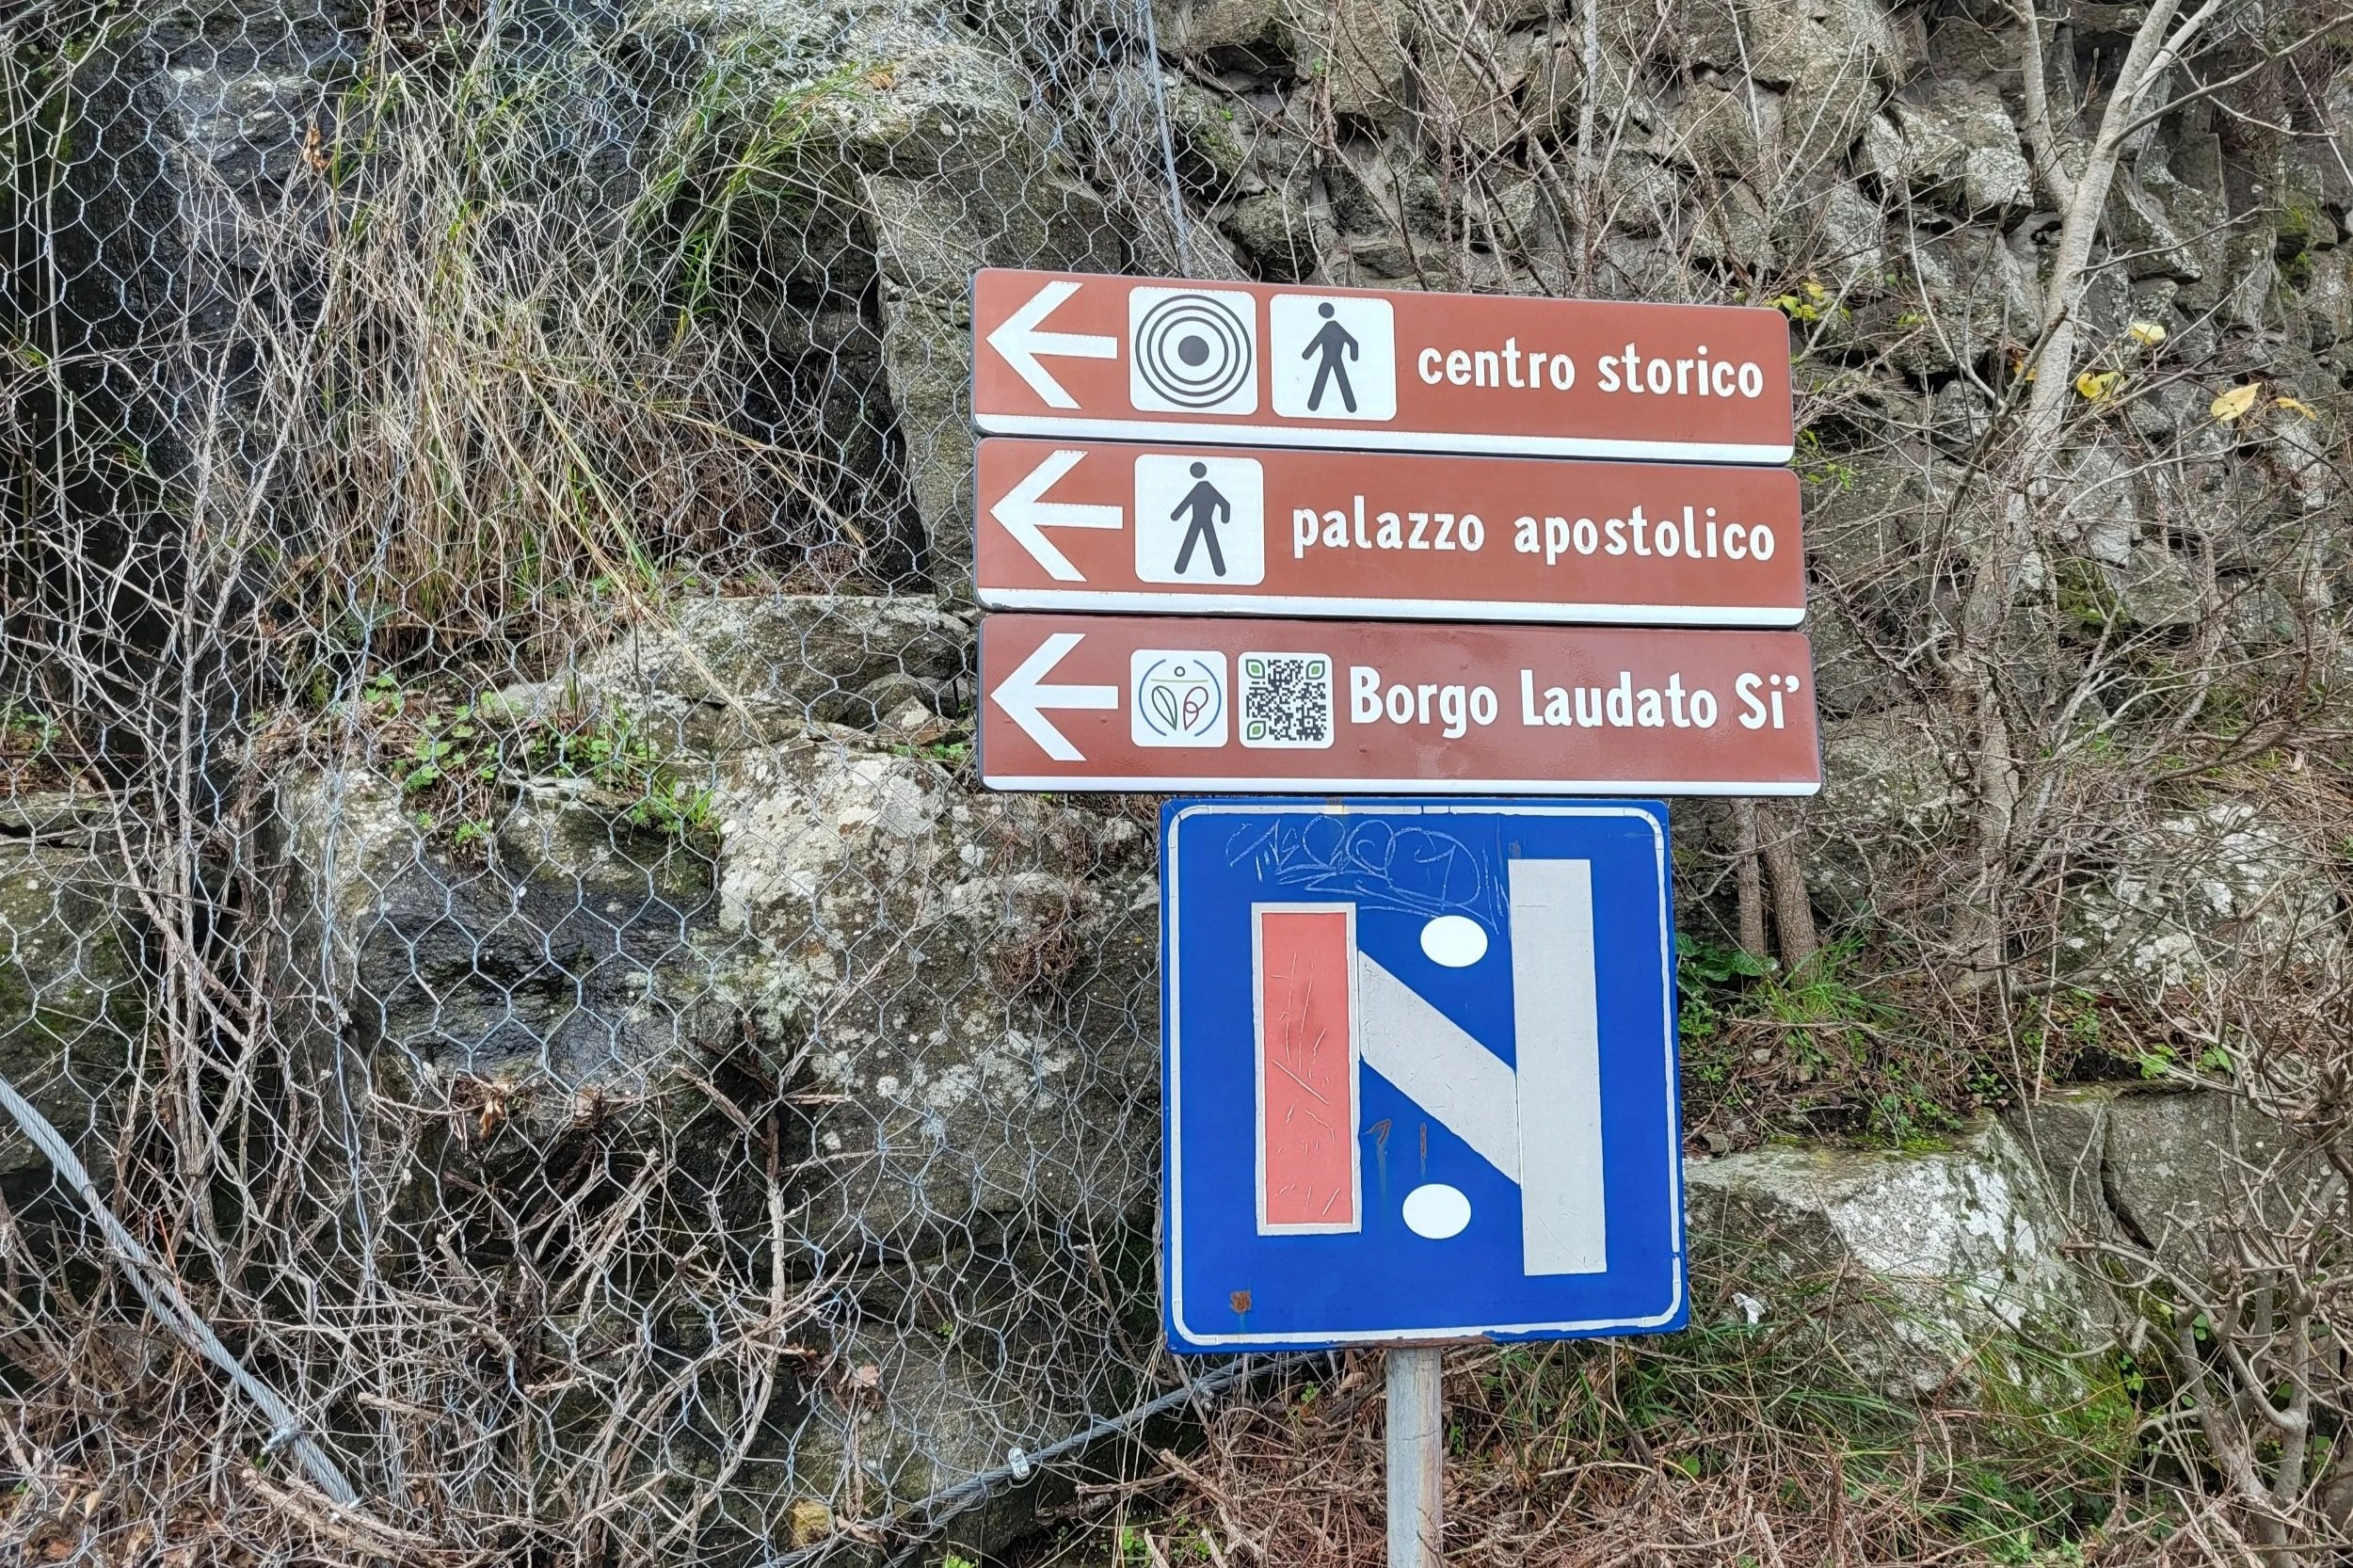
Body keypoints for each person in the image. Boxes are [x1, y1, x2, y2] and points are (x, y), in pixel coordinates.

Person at [1171, 461, 1230, 577]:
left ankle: (1180, 568)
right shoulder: (1207, 489)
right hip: (1201, 520)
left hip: (1200, 520)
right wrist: (1224, 519)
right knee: (1203, 542)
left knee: (1194, 542)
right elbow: (1225, 505)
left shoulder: (1201, 488)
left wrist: (1176, 516)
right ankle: (1219, 570)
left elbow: (1186, 503)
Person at [1303, 301, 1359, 413]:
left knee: (1327, 379)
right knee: (1329, 379)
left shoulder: (1330, 328)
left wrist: (1307, 354)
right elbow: (1353, 343)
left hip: (1333, 359)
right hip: (1331, 359)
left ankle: (1350, 407)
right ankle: (1350, 406)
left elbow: (1353, 343)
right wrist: (1353, 356)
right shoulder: (1335, 328)